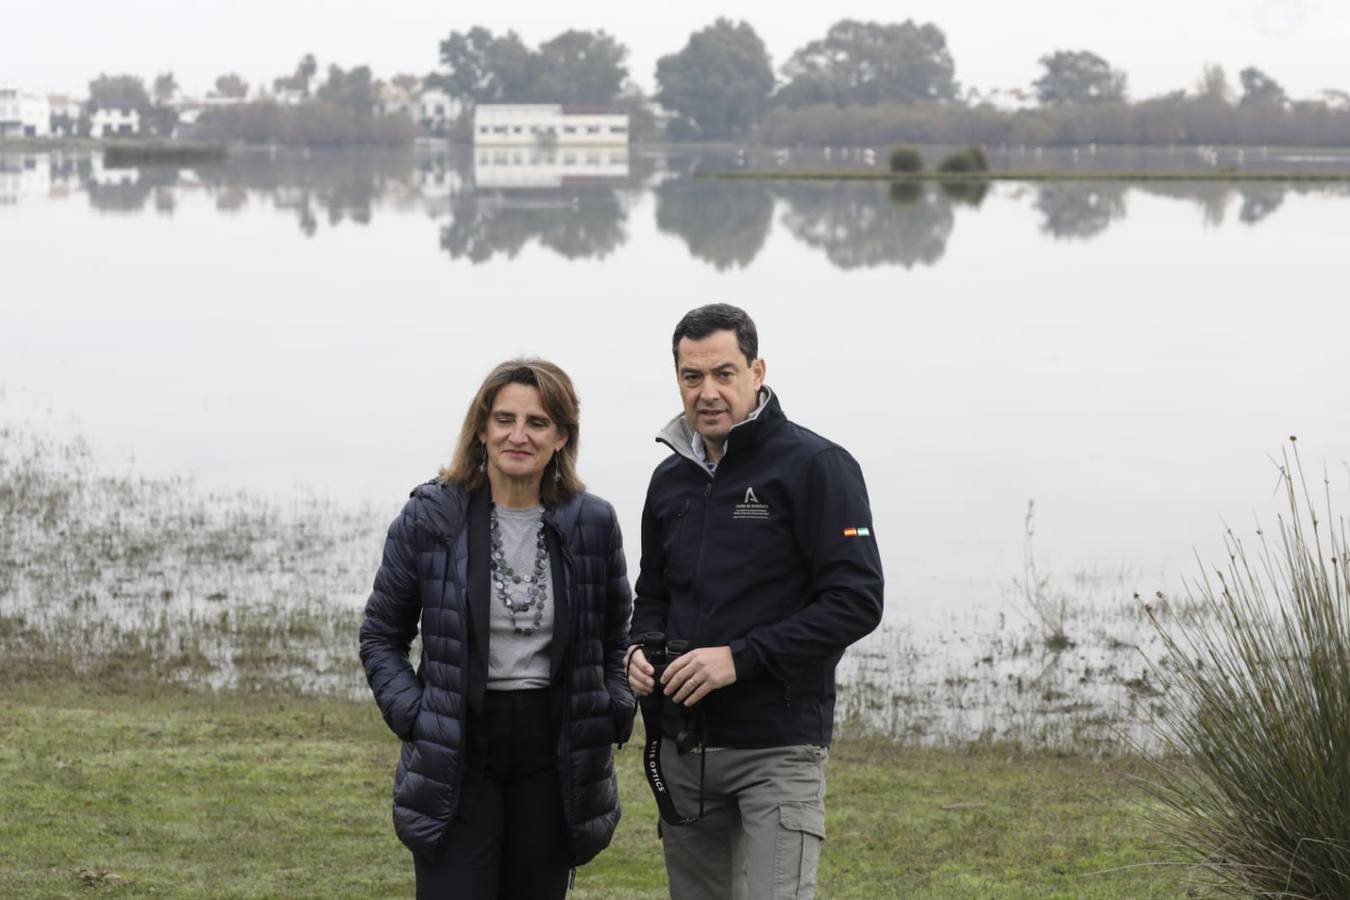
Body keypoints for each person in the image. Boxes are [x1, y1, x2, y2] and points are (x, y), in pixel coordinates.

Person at [627, 304, 884, 900]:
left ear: (757, 371)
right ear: (678, 379)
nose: (708, 392)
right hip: (685, 749)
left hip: (778, 748)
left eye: (724, 373)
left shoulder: (818, 466)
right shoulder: (670, 481)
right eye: (693, 377)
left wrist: (740, 658)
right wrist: (638, 649)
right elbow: (653, 596)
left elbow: (857, 600)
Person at [359, 358, 634, 899]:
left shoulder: (593, 522)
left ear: (561, 436)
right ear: (481, 428)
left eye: (537, 422)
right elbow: (381, 636)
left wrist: (613, 708)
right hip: (460, 750)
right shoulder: (430, 518)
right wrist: (415, 716)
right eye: (504, 419)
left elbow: (616, 637)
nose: (518, 435)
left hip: (552, 755)